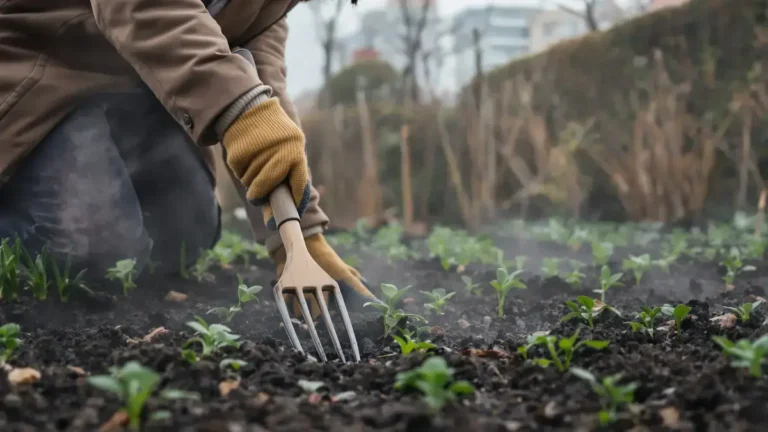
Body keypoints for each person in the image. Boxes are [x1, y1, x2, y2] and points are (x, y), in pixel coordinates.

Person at [0, 0, 378, 310]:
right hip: (39, 80)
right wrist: (242, 113)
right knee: (93, 250)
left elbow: (258, 76)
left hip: (136, 99)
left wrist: (299, 235)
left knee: (186, 232)